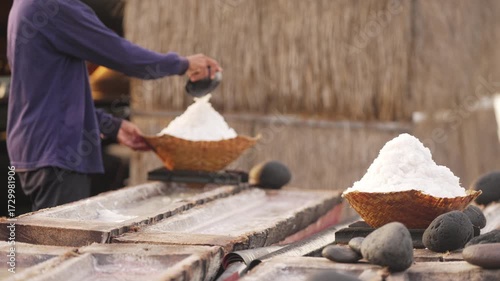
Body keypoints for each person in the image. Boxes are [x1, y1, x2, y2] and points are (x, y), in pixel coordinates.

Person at [7, 0, 222, 211]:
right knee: (61, 243)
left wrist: (110, 126)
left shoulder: (25, 5)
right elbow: (123, 55)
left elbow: (46, 92)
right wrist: (183, 64)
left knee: (52, 239)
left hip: (37, 148)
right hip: (56, 152)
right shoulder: (53, 6)